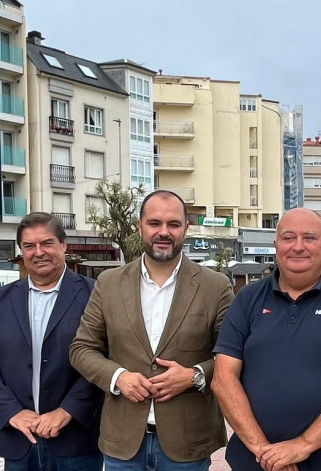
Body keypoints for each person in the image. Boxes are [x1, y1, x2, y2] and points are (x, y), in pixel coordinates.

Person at [212, 208, 321, 471]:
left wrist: (303, 445)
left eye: (309, 238)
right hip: (254, 462)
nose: (298, 247)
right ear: (276, 245)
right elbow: (223, 380)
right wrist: (268, 454)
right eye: (288, 238)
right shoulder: (248, 299)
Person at [69, 190, 233, 470]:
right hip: (123, 444)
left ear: (186, 228)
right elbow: (81, 349)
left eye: (173, 224)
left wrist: (195, 376)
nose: (164, 232)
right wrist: (118, 377)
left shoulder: (215, 286)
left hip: (188, 444)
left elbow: (234, 355)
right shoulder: (109, 283)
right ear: (140, 226)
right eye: (155, 223)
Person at [0, 212, 103, 470]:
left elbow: (106, 356)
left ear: (64, 245)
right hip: (19, 437)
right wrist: (11, 411)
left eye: (47, 243)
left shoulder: (96, 294)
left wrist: (68, 410)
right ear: (22, 251)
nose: (38, 252)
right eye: (29, 246)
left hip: (76, 438)